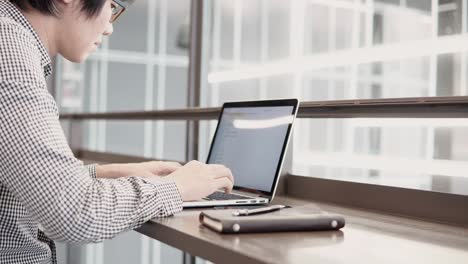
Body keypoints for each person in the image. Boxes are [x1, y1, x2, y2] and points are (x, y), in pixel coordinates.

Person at [0, 0, 234, 263]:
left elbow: (16, 182)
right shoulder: (8, 50)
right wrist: (176, 187)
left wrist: (104, 173)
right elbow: (75, 213)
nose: (110, 27)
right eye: (111, 5)